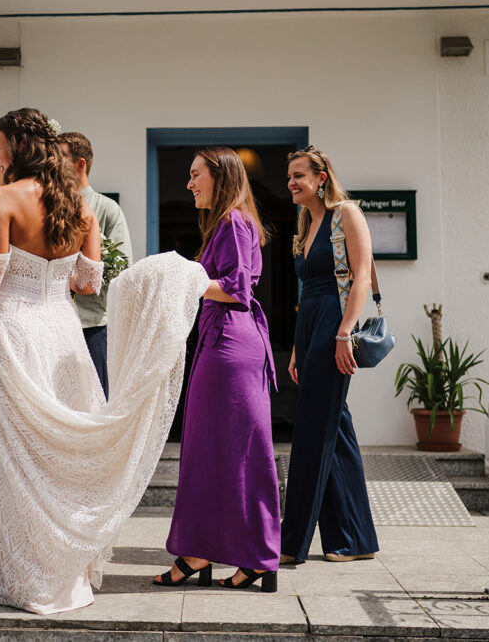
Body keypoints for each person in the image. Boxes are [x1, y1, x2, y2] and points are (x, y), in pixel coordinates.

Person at [0, 108, 209, 614]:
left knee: (14, 454)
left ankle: (23, 572)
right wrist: (49, 274)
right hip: (62, 332)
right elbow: (88, 283)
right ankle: (60, 567)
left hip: (12, 332)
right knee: (55, 455)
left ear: (19, 147)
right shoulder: (79, 205)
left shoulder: (3, 199)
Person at [156, 147, 280, 593]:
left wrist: (179, 279)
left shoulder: (232, 222)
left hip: (229, 343)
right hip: (223, 340)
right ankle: (204, 551)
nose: (189, 184)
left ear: (220, 176)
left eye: (196, 175)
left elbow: (236, 289)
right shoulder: (231, 222)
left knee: (234, 452)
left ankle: (253, 554)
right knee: (210, 451)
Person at [280, 145, 379, 565]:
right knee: (335, 429)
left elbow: (361, 277)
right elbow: (306, 293)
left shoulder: (346, 213)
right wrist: (296, 348)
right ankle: (355, 539)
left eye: (299, 175)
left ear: (321, 178)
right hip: (310, 328)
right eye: (289, 177)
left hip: (334, 326)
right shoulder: (307, 223)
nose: (291, 183)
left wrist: (344, 333)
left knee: (311, 431)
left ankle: (292, 542)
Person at [57, 132, 133, 398]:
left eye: (60, 157)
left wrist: (74, 277)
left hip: (92, 326)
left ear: (80, 164)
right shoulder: (46, 209)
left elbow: (121, 267)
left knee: (95, 402)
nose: (52, 163)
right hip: (53, 324)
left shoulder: (108, 209)